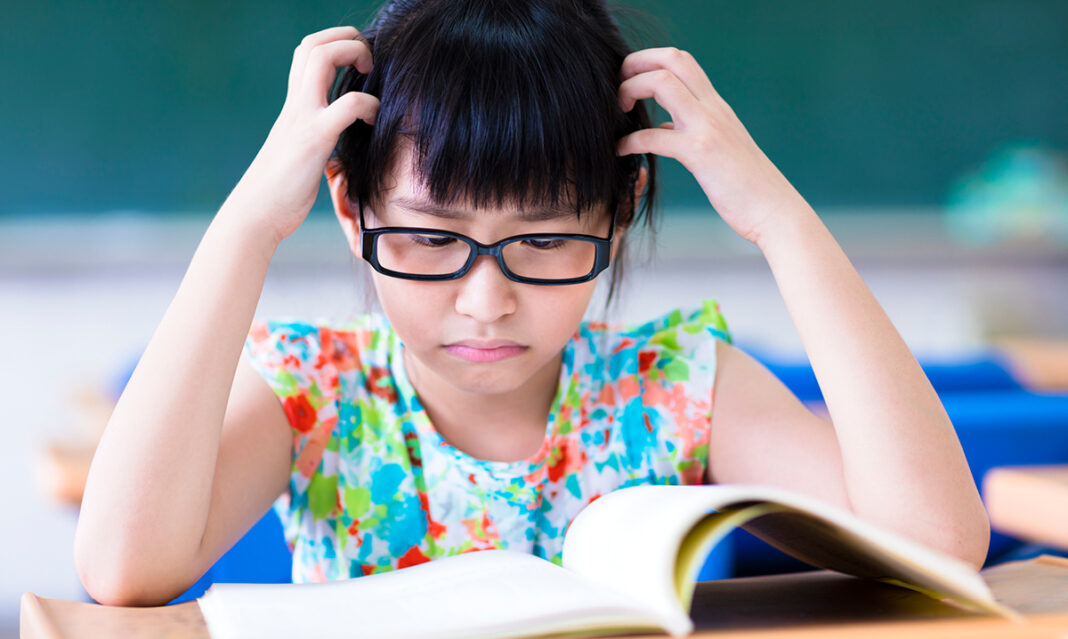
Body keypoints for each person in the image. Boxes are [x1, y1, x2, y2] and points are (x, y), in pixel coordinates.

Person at [74, 0, 989, 606]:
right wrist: (245, 230)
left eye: (546, 240)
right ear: (353, 213)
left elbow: (939, 543)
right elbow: (120, 569)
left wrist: (779, 220)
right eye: (431, 240)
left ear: (618, 215)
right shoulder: (313, 389)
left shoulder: (671, 386)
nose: (487, 301)